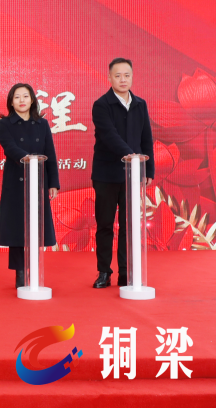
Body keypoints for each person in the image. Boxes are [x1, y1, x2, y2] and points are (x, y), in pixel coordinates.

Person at [91, 58, 154, 288]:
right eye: (117, 75)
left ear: (132, 76)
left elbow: (146, 137)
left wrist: (148, 168)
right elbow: (109, 136)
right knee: (105, 224)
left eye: (127, 75)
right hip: (106, 174)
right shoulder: (101, 105)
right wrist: (131, 155)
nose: (122, 79)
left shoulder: (140, 104)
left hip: (133, 175)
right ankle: (104, 272)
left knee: (129, 225)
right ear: (109, 78)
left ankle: (126, 272)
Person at [0, 83, 59, 288]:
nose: (21, 100)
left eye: (25, 96)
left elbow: (50, 154)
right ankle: (20, 273)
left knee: (36, 226)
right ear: (11, 102)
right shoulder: (5, 123)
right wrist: (28, 158)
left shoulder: (42, 124)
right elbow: (9, 147)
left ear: (32, 100)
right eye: (17, 97)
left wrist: (53, 183)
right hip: (15, 181)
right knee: (17, 229)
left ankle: (34, 268)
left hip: (38, 181)